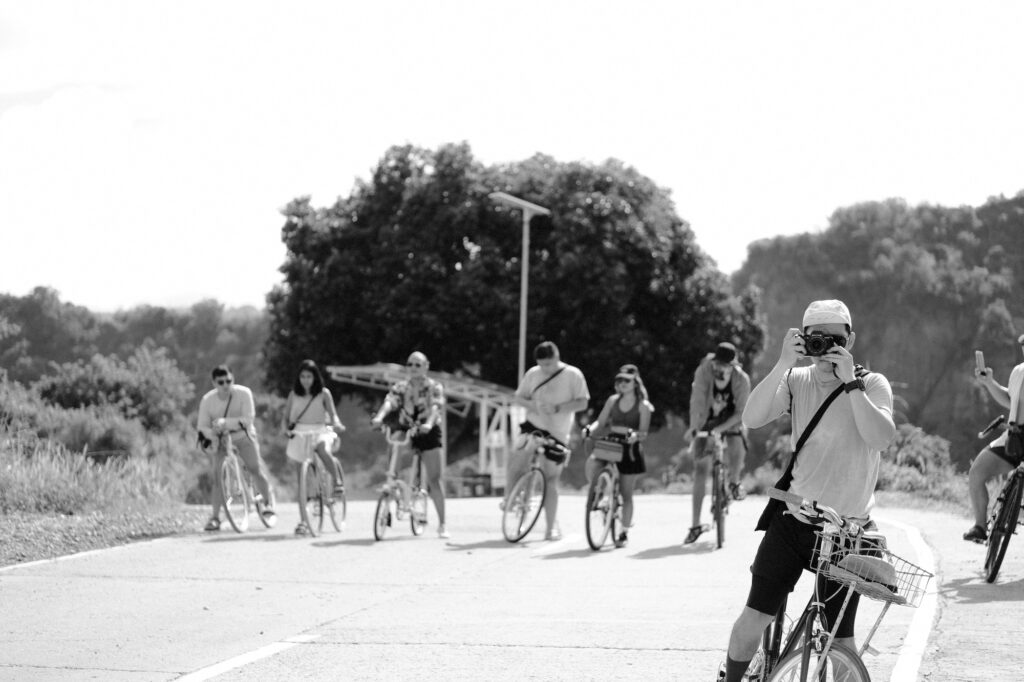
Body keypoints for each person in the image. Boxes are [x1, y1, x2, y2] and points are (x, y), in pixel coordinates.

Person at [718, 300, 895, 682]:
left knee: (840, 641)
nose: (826, 347)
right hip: (794, 522)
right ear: (803, 339)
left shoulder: (872, 384)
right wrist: (783, 363)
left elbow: (880, 438)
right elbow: (751, 418)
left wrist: (850, 383)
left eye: (835, 339)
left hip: (846, 533)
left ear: (851, 338)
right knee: (755, 616)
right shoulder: (796, 381)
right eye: (817, 339)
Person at [504, 341, 590, 541]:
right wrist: (533, 405)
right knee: (517, 458)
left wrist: (559, 408)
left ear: (557, 357)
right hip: (533, 426)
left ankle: (550, 528)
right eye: (542, 365)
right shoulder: (533, 373)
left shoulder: (573, 375)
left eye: (549, 365)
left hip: (558, 433)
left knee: (550, 480)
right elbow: (518, 397)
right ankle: (510, 497)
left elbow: (583, 402)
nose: (545, 369)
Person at [370, 351, 450, 539]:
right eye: (410, 364)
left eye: (417, 364)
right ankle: (392, 490)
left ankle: (443, 524)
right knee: (395, 450)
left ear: (426, 366)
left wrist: (429, 423)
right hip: (407, 428)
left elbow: (437, 406)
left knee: (434, 479)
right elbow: (390, 402)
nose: (413, 368)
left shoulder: (434, 387)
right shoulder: (401, 387)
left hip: (427, 430)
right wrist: (380, 418)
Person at [684, 342, 751, 545]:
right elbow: (696, 399)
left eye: (724, 365)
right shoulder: (704, 371)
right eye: (718, 364)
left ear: (733, 366)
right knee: (701, 469)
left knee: (737, 440)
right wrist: (695, 427)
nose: (719, 369)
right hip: (708, 417)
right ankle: (695, 524)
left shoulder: (741, 380)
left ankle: (734, 481)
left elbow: (742, 413)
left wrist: (721, 430)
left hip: (731, 420)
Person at [196, 365, 277, 531]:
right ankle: (215, 517)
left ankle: (268, 503)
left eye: (229, 381)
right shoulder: (207, 400)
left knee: (255, 468)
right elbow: (201, 426)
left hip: (243, 436)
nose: (225, 385)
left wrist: (226, 422)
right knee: (218, 477)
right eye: (221, 382)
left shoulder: (244, 393)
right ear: (214, 383)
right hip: (221, 439)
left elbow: (248, 418)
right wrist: (213, 433)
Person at [583, 364, 653, 548]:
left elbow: (644, 432)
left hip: (630, 447)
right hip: (611, 442)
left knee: (626, 493)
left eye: (626, 380)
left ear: (635, 382)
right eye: (619, 380)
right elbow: (601, 421)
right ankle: (598, 494)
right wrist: (590, 429)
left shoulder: (643, 406)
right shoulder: (612, 400)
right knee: (593, 463)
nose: (622, 384)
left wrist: (635, 436)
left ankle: (623, 531)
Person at [963, 334, 1024, 543]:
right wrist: (989, 382)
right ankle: (980, 526)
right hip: (1015, 436)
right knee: (977, 472)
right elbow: (1010, 399)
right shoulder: (1018, 372)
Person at [283, 359, 347, 536]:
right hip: (300, 433)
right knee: (301, 482)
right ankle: (304, 521)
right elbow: (286, 417)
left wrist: (338, 425)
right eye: (302, 376)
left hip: (320, 429)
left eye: (309, 376)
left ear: (315, 377)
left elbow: (333, 416)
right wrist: (286, 430)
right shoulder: (293, 395)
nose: (305, 380)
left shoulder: (324, 394)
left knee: (322, 449)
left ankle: (337, 482)